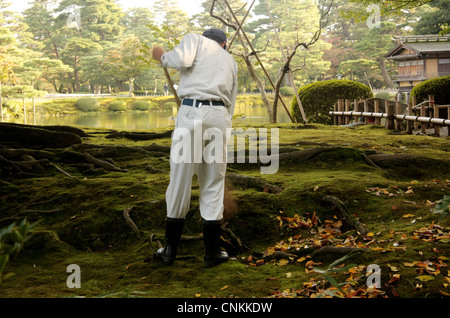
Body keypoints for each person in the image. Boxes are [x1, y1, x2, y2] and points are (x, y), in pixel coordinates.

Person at [152, 28, 238, 267]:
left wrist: (162, 56)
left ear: (206, 38)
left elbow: (180, 60)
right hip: (220, 116)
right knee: (213, 181)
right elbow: (233, 97)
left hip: (193, 112)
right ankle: (212, 253)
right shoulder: (230, 60)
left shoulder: (196, 40)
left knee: (180, 178)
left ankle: (169, 251)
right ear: (224, 43)